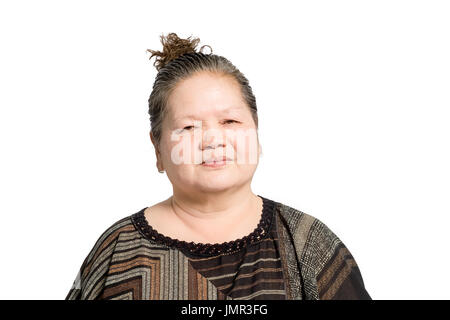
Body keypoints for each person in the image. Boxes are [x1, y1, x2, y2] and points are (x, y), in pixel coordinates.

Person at [65, 32, 371, 300]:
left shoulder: (308, 243)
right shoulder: (117, 252)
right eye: (188, 128)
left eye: (230, 121)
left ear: (256, 133)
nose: (213, 139)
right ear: (157, 148)